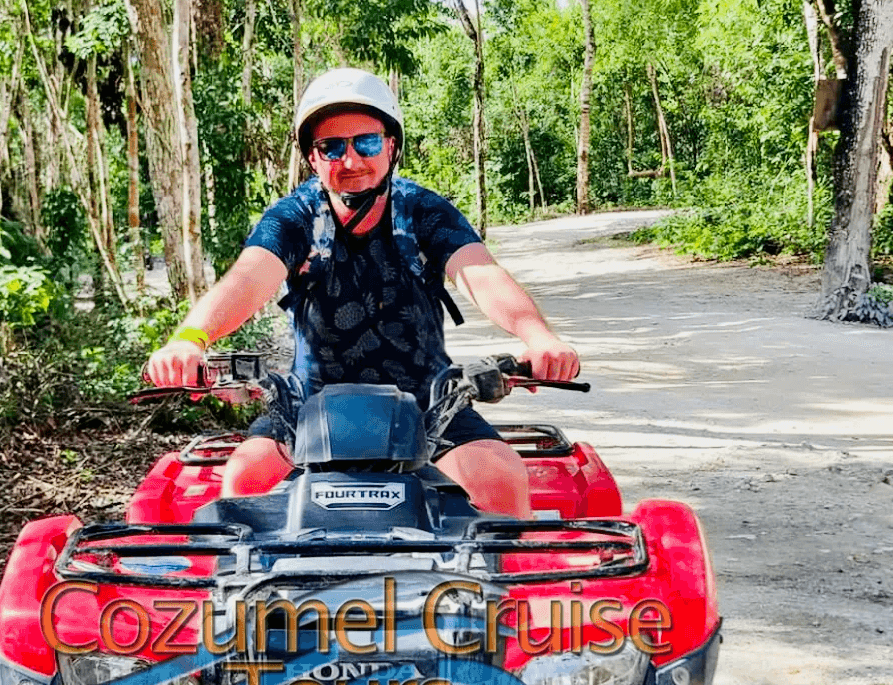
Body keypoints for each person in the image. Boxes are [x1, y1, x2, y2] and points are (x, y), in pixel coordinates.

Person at [144, 67, 579, 518]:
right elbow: (249, 278)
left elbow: (480, 272)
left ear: (391, 146)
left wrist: (538, 336)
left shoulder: (423, 211)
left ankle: (499, 588)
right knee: (246, 479)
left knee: (498, 476)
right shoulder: (294, 217)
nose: (350, 160)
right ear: (312, 159)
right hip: (306, 406)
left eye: (365, 142)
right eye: (331, 147)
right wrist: (190, 340)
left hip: (429, 402)